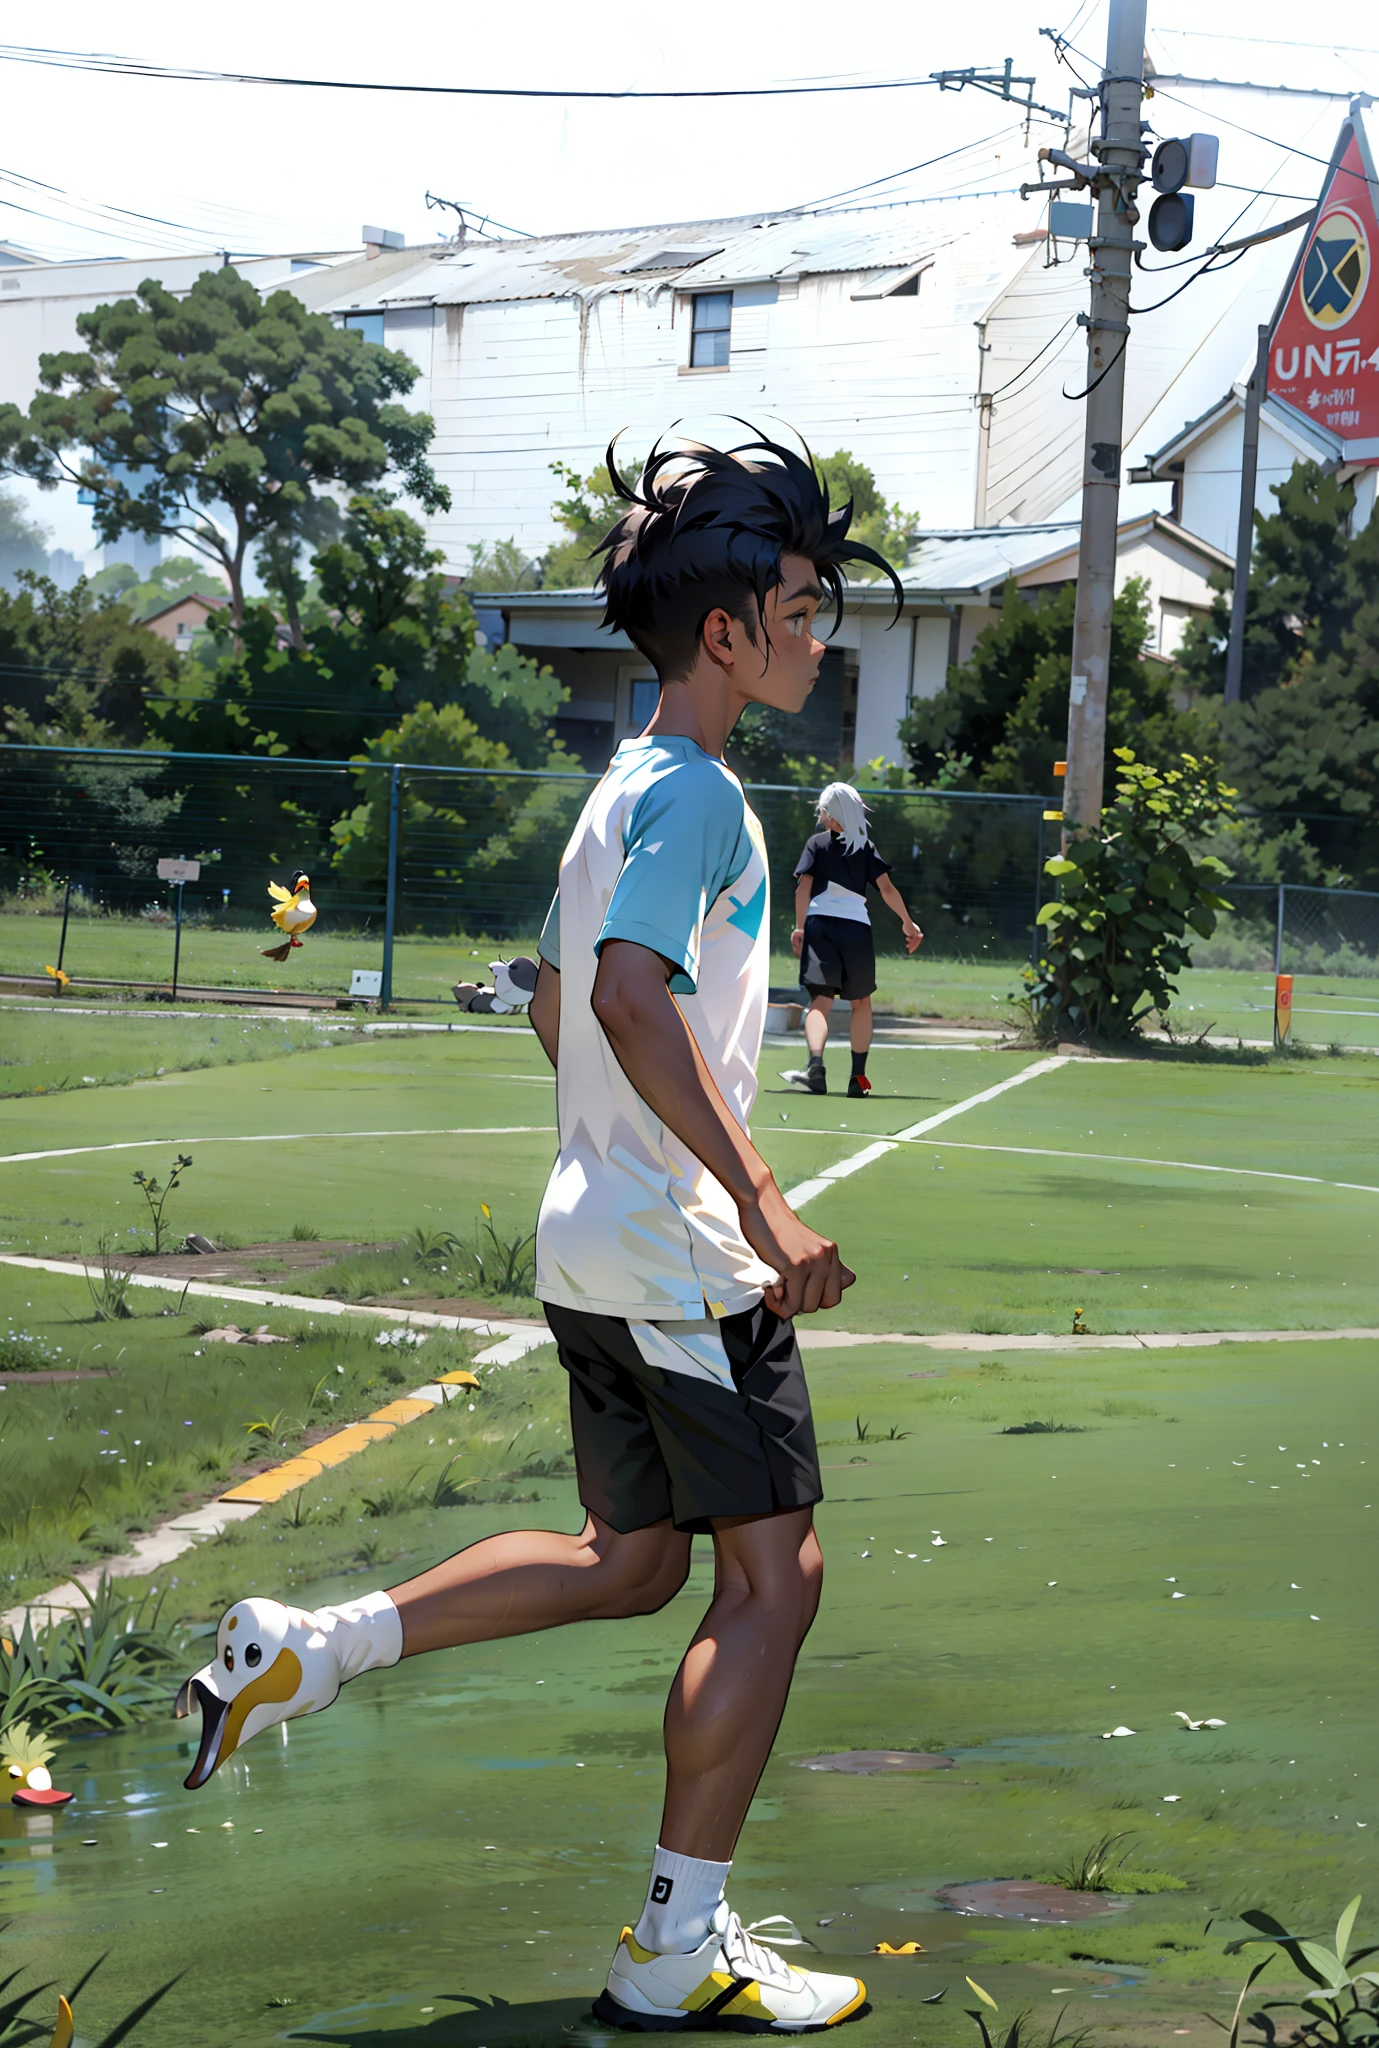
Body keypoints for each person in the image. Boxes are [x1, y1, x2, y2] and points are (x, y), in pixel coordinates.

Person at [173, 431, 902, 2034]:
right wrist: (762, 1193)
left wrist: (638, 1117)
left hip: (592, 1241)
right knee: (776, 1584)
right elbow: (627, 1000)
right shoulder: (702, 800)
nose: (815, 632)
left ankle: (320, 1644)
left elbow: (565, 1005)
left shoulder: (621, 792)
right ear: (724, 633)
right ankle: (672, 1951)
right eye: (798, 603)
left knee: (633, 1562)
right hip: (674, 1253)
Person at [782, 784, 923, 1099]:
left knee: (820, 1002)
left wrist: (800, 928)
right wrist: (908, 922)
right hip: (857, 930)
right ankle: (858, 1080)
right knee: (861, 1004)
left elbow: (802, 889)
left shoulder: (816, 844)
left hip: (821, 927)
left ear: (832, 815)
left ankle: (815, 1068)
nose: (820, 816)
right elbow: (886, 889)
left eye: (822, 810)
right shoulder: (866, 847)